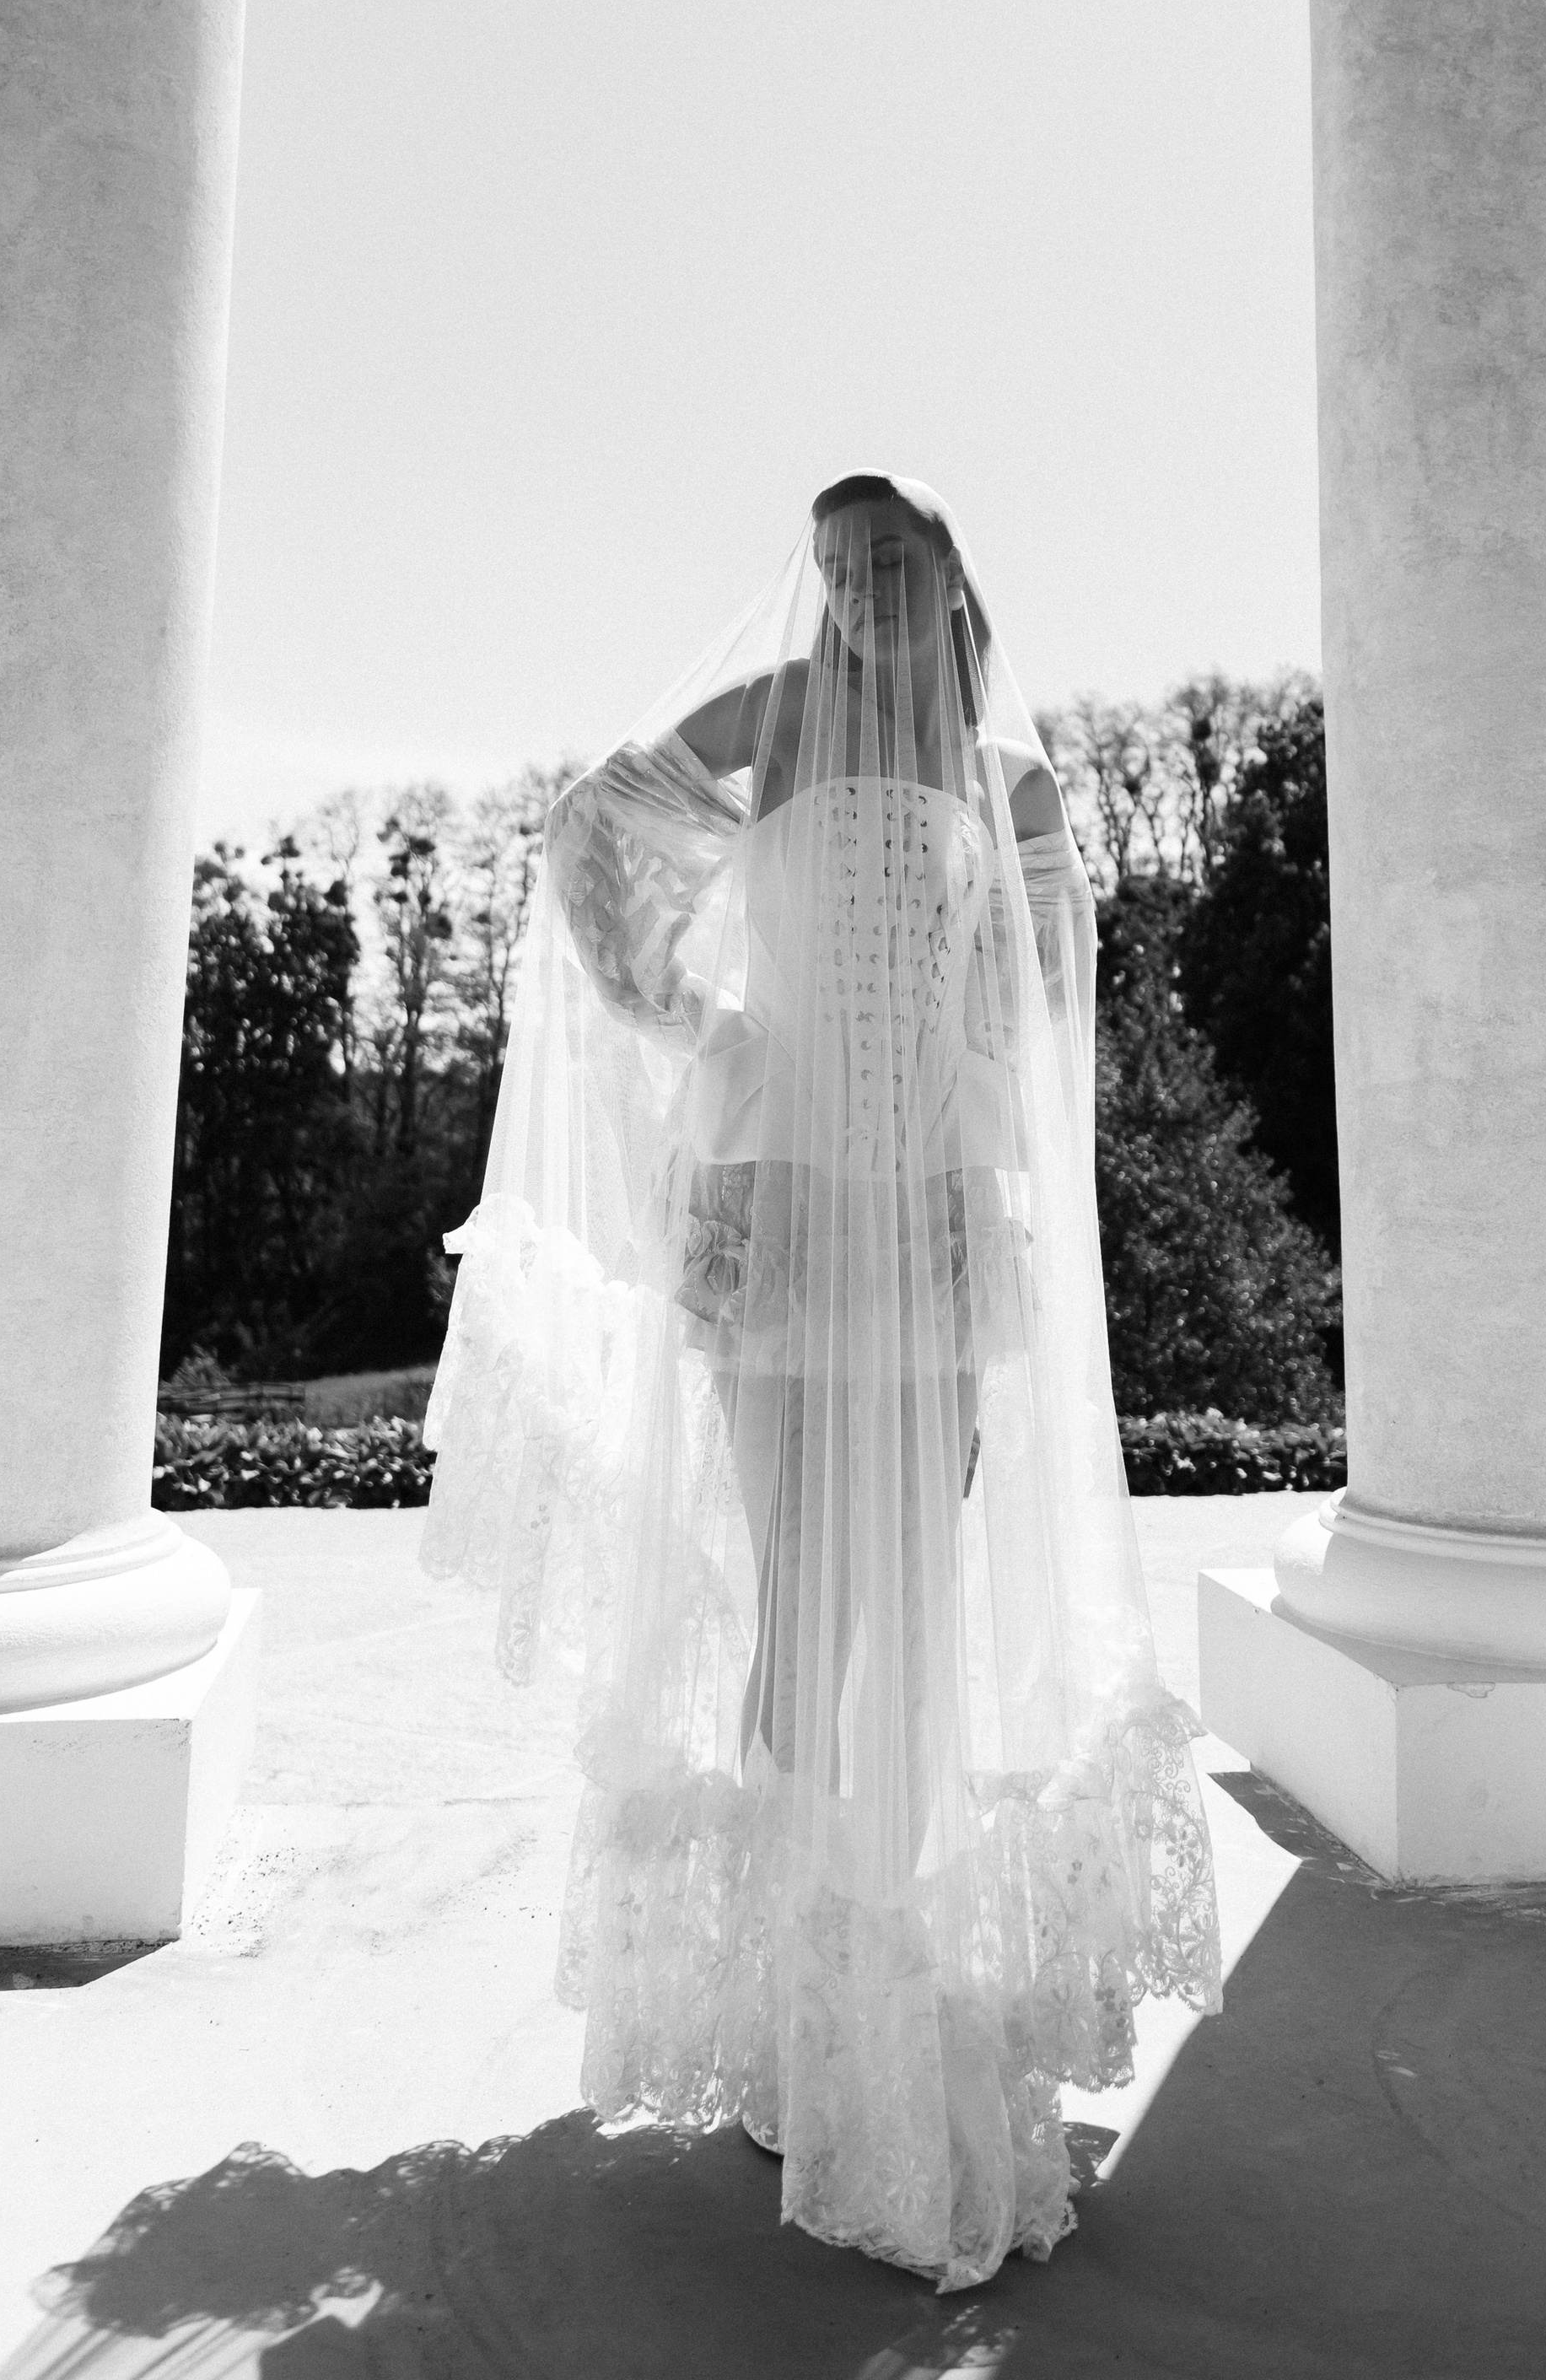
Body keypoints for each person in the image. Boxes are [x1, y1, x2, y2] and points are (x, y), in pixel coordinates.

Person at [421, 475, 1220, 2291]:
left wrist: (972, 1078)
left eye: (891, 565)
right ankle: (798, 2005)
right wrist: (675, 1012)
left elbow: (1045, 1003)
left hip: (932, 1216)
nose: (860, 594)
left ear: (947, 579)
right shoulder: (769, 717)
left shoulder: (1013, 779)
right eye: (840, 568)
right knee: (802, 1593)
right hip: (780, 1200)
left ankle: (909, 1956)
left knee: (914, 1593)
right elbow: (590, 828)